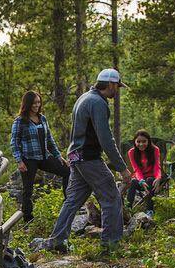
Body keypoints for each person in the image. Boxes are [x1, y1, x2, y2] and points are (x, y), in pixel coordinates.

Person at [41, 69, 132, 252]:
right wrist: (123, 169)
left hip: (76, 156)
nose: (118, 91)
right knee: (111, 197)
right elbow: (106, 139)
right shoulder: (98, 103)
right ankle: (111, 244)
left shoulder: (85, 97)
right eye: (118, 87)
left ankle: (57, 241)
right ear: (111, 84)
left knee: (73, 201)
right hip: (89, 158)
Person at [10, 91, 69, 223]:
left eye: (38, 102)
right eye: (34, 103)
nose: (37, 105)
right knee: (28, 190)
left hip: (44, 157)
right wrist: (19, 161)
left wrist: (58, 156)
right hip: (28, 159)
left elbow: (49, 139)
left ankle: (68, 206)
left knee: (67, 171)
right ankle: (28, 219)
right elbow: (14, 142)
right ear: (28, 104)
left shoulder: (42, 118)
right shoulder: (20, 121)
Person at [126, 129, 161, 216]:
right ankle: (127, 208)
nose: (141, 144)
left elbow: (157, 166)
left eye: (144, 141)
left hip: (153, 179)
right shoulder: (131, 152)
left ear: (148, 141)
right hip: (140, 179)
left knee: (149, 180)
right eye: (138, 142)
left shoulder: (155, 150)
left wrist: (158, 178)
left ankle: (150, 211)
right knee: (133, 182)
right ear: (135, 142)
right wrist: (141, 181)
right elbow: (136, 169)